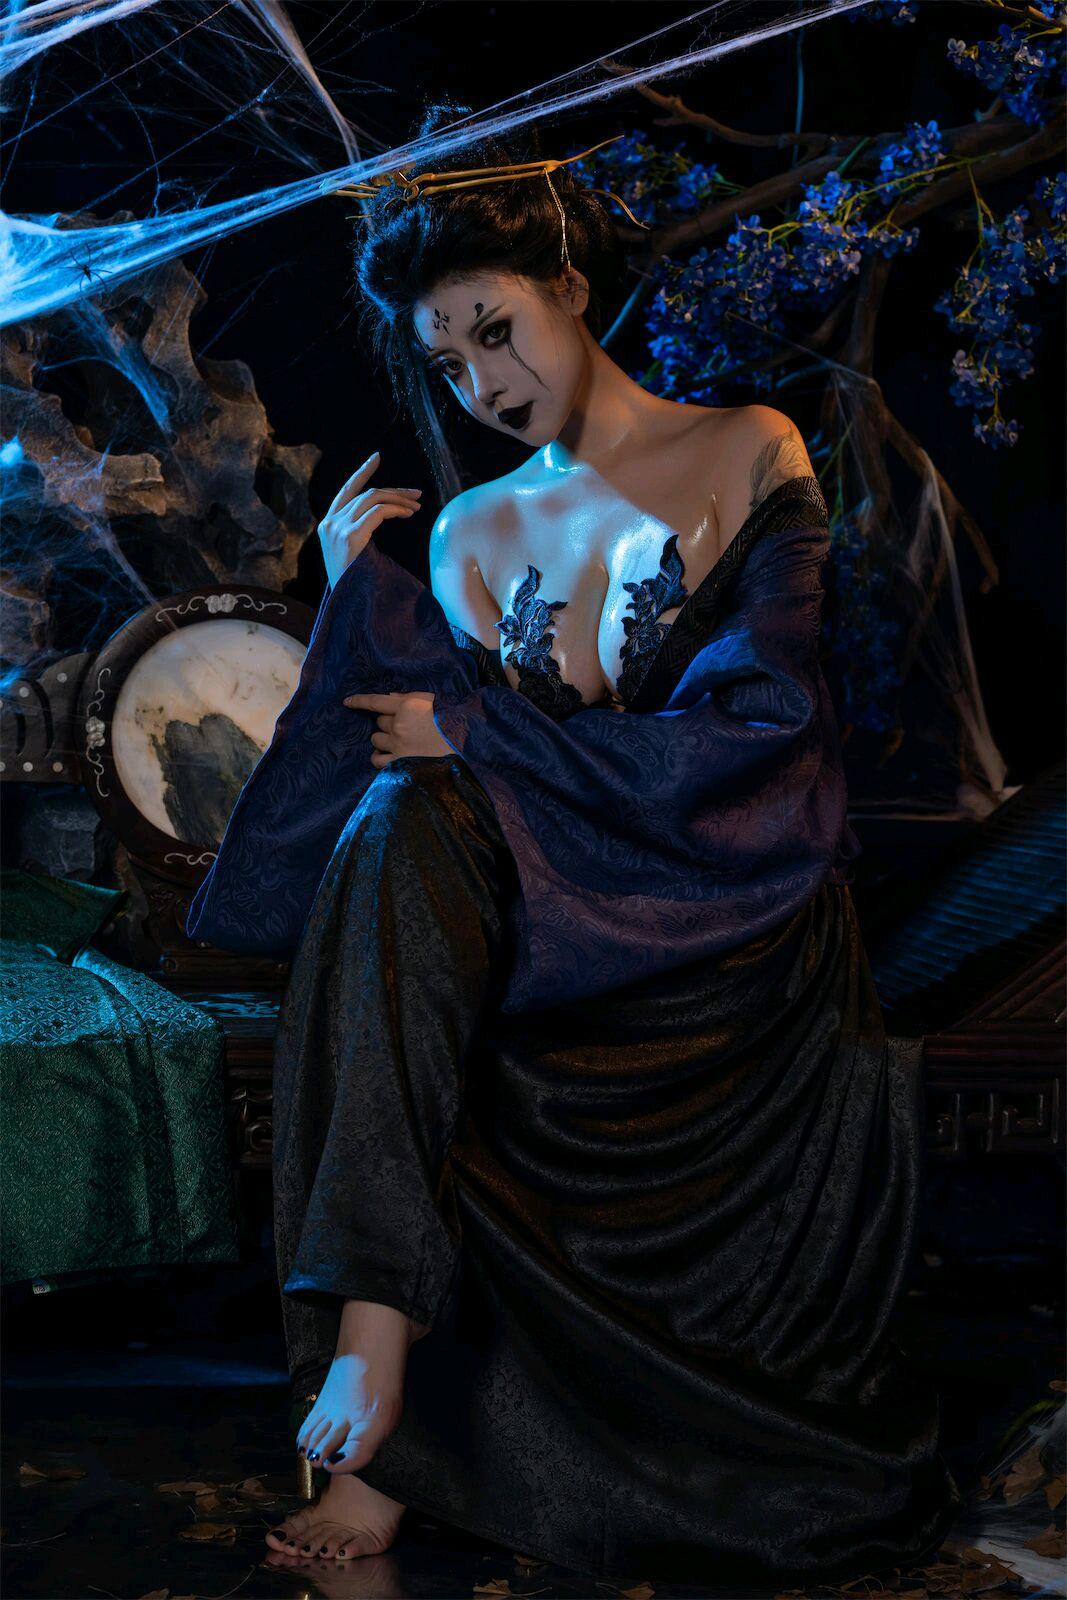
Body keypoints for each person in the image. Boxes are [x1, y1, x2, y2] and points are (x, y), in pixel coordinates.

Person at [184, 104, 962, 1587]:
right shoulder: (468, 533)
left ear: (571, 289)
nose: (484, 382)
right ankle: (374, 1343)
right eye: (448, 362)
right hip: (556, 930)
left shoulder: (747, 448)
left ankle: (375, 1396)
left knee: (427, 800)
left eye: (497, 330)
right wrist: (356, 592)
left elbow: (762, 734)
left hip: (727, 916)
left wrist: (479, 729)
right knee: (400, 817)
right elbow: (425, 772)